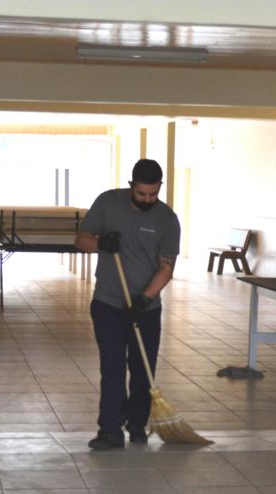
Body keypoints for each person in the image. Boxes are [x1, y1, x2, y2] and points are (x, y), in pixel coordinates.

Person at [75, 159, 181, 450]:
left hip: (146, 308)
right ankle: (109, 430)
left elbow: (166, 268)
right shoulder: (108, 203)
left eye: (153, 194)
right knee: (112, 368)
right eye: (141, 193)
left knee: (142, 370)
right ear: (131, 185)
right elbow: (81, 239)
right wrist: (100, 244)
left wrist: (144, 299)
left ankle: (136, 425)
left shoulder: (167, 220)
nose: (147, 199)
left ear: (160, 187)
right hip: (108, 303)